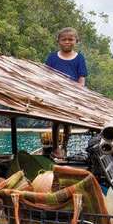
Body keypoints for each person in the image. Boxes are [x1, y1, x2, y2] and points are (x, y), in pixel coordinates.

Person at [44, 27, 88, 158]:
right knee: (55, 121)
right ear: (58, 41)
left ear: (76, 41)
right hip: (56, 94)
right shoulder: (52, 58)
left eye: (70, 39)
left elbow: (81, 78)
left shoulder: (79, 58)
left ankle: (65, 147)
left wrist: (79, 93)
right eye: (64, 39)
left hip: (71, 95)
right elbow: (46, 75)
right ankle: (55, 148)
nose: (67, 42)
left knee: (68, 122)